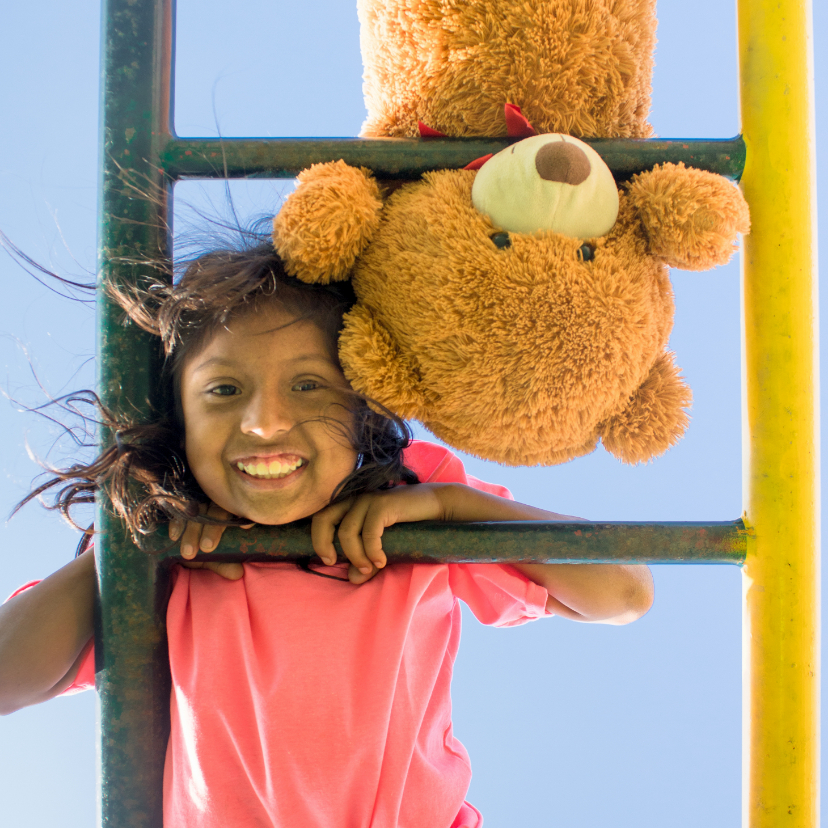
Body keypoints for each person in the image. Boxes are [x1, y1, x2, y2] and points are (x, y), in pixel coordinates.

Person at [0, 237, 653, 827]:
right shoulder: (170, 551)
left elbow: (624, 593)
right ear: (182, 425)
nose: (265, 422)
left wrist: (454, 509)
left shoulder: (412, 502)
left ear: (362, 412)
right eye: (223, 390)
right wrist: (129, 550)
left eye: (310, 385)